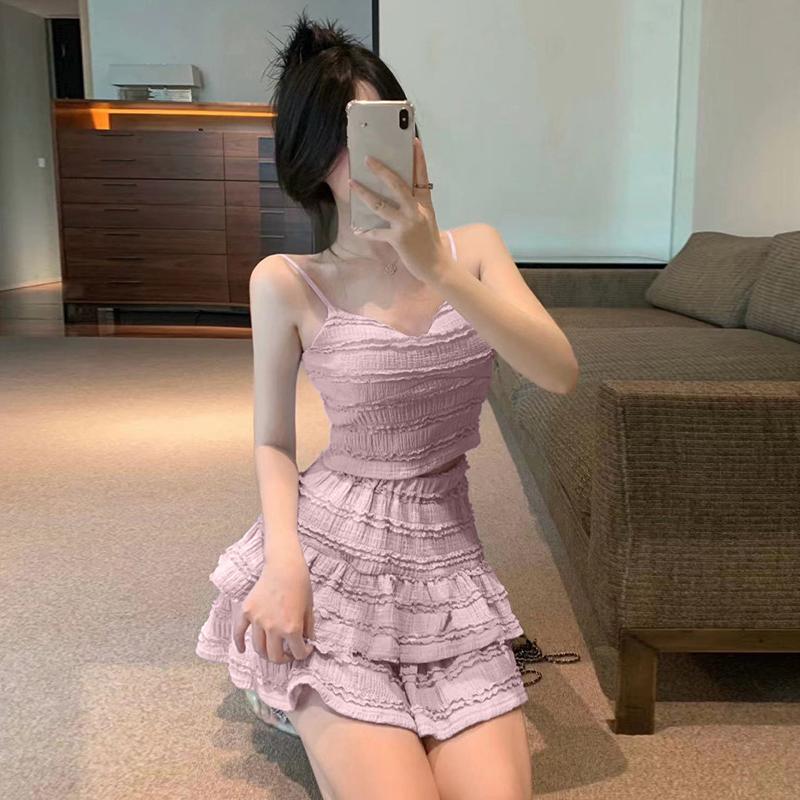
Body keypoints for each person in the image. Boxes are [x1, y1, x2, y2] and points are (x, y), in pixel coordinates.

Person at [196, 10, 580, 799]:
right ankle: (293, 693)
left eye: (383, 127)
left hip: (447, 562)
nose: (369, 158)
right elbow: (273, 440)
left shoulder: (474, 251)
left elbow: (559, 372)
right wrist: (284, 563)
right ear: (312, 160)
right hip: (332, 556)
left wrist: (435, 265)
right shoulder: (287, 281)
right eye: (347, 138)